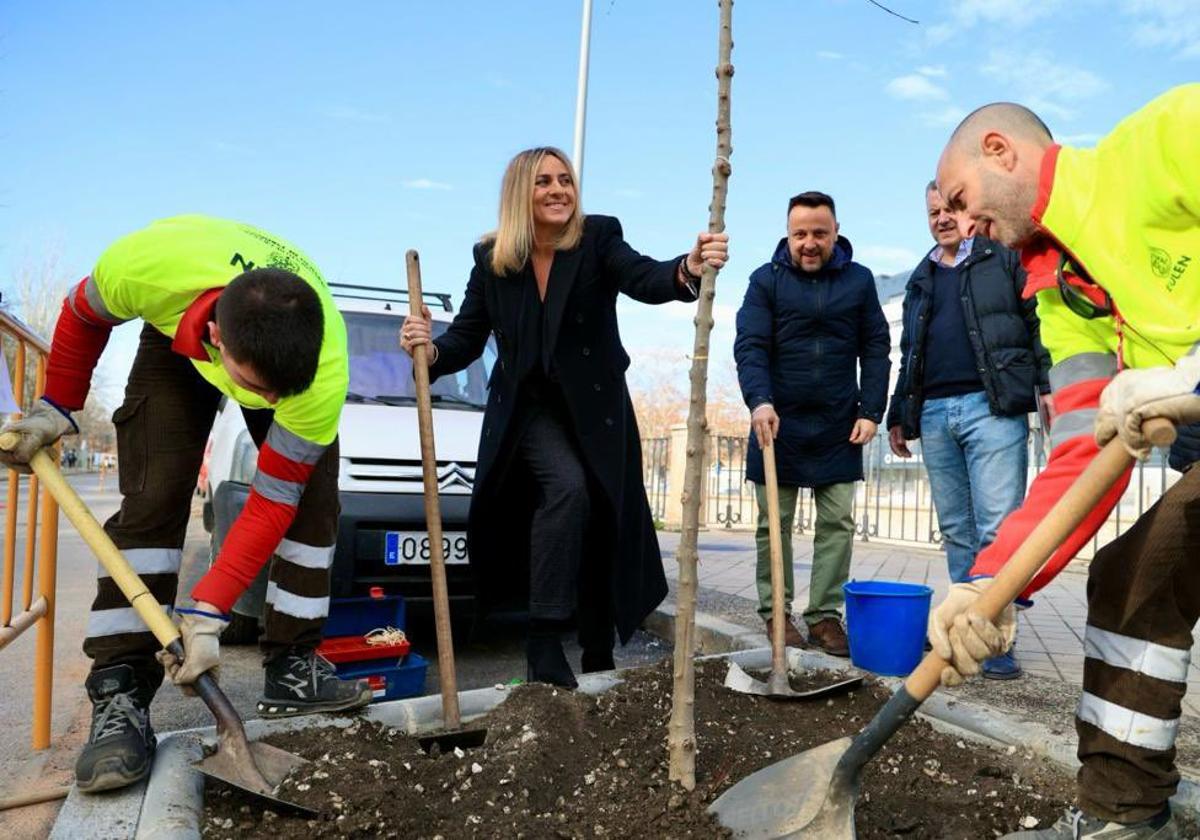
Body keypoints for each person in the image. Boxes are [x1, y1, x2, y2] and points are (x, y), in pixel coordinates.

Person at [0, 215, 371, 794]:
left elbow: (273, 500)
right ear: (219, 341)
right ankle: (120, 688)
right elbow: (81, 315)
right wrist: (57, 406)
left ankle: (294, 666)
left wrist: (207, 613)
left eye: (283, 393)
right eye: (261, 388)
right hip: (173, 339)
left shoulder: (320, 369)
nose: (272, 403)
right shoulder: (142, 267)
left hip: (267, 345)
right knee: (152, 501)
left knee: (312, 504)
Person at [931, 84, 1200, 839]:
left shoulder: (1163, 141)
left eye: (959, 196)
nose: (958, 219)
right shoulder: (1056, 293)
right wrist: (988, 583)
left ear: (999, 150)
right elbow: (1086, 454)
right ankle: (1124, 816)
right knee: (1133, 578)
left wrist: (1194, 374)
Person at [400, 146, 728, 688]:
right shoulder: (491, 259)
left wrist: (687, 268)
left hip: (596, 411)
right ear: (519, 194)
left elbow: (643, 277)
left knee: (602, 514)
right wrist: (428, 350)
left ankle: (597, 646)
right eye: (543, 182)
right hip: (527, 412)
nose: (558, 190)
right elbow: (465, 337)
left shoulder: (598, 237)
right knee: (568, 489)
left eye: (565, 180)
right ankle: (543, 638)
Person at [886, 181, 1050, 679]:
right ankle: (967, 628)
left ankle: (995, 637)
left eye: (949, 209)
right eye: (932, 211)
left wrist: (1047, 385)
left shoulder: (1001, 256)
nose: (941, 218)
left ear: (967, 209)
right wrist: (899, 413)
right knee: (957, 529)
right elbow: (909, 352)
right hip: (934, 412)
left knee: (999, 526)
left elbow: (1035, 319)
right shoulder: (920, 277)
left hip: (992, 407)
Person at [733, 191, 890, 656]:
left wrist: (870, 410)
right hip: (775, 425)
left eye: (819, 233)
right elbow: (750, 346)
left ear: (835, 233)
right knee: (773, 525)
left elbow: (876, 347)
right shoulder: (765, 282)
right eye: (800, 233)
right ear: (788, 234)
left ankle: (823, 617)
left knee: (837, 523)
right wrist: (759, 401)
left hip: (840, 425)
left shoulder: (859, 282)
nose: (809, 243)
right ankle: (776, 613)